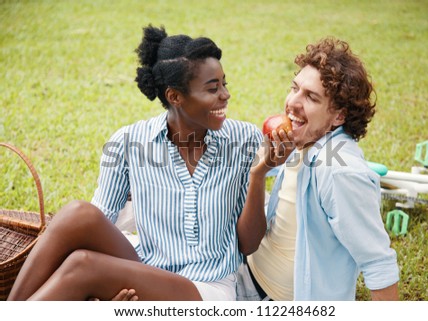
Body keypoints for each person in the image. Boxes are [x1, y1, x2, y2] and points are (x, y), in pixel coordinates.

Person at [7, 24, 266, 301]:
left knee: (83, 266)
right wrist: (107, 288)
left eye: (224, 83)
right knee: (77, 214)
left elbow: (248, 244)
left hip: (208, 288)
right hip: (145, 269)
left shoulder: (244, 139)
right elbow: (99, 222)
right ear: (174, 97)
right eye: (213, 88)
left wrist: (259, 173)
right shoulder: (129, 141)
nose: (225, 95)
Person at [237, 37, 399, 301]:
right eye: (295, 88)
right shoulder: (303, 140)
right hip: (246, 271)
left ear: (339, 116)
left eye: (311, 97)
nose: (292, 103)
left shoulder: (339, 171)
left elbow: (378, 263)